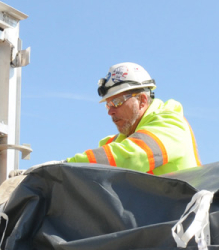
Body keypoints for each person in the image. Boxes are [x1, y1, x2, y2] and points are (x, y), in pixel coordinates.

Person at [66, 62, 201, 174]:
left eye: (117, 102)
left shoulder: (171, 125)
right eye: (108, 105)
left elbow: (131, 156)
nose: (111, 111)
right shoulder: (116, 143)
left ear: (142, 100)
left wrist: (64, 168)